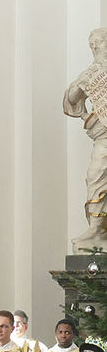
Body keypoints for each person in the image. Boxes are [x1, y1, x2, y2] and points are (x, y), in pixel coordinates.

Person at [64, 28, 107, 250]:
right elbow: (72, 99)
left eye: (97, 43)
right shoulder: (90, 74)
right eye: (91, 44)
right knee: (95, 175)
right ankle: (96, 228)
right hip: (103, 136)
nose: (94, 47)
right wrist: (80, 85)